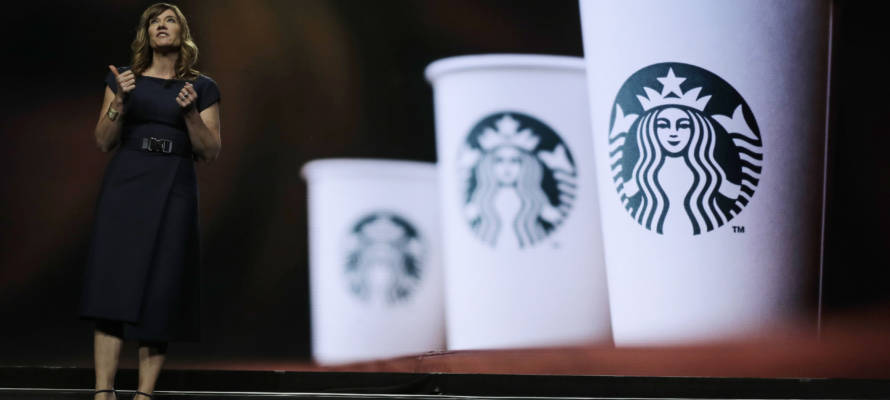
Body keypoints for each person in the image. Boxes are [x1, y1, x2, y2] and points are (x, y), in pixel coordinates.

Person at [79, 3, 221, 399]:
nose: (161, 25)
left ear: (182, 33)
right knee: (113, 285)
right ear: (146, 34)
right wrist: (119, 103)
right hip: (127, 184)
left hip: (174, 185)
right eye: (154, 21)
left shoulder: (202, 88)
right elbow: (103, 140)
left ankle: (144, 394)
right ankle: (103, 392)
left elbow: (210, 151)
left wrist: (191, 113)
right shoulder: (124, 81)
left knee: (161, 289)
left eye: (170, 19)